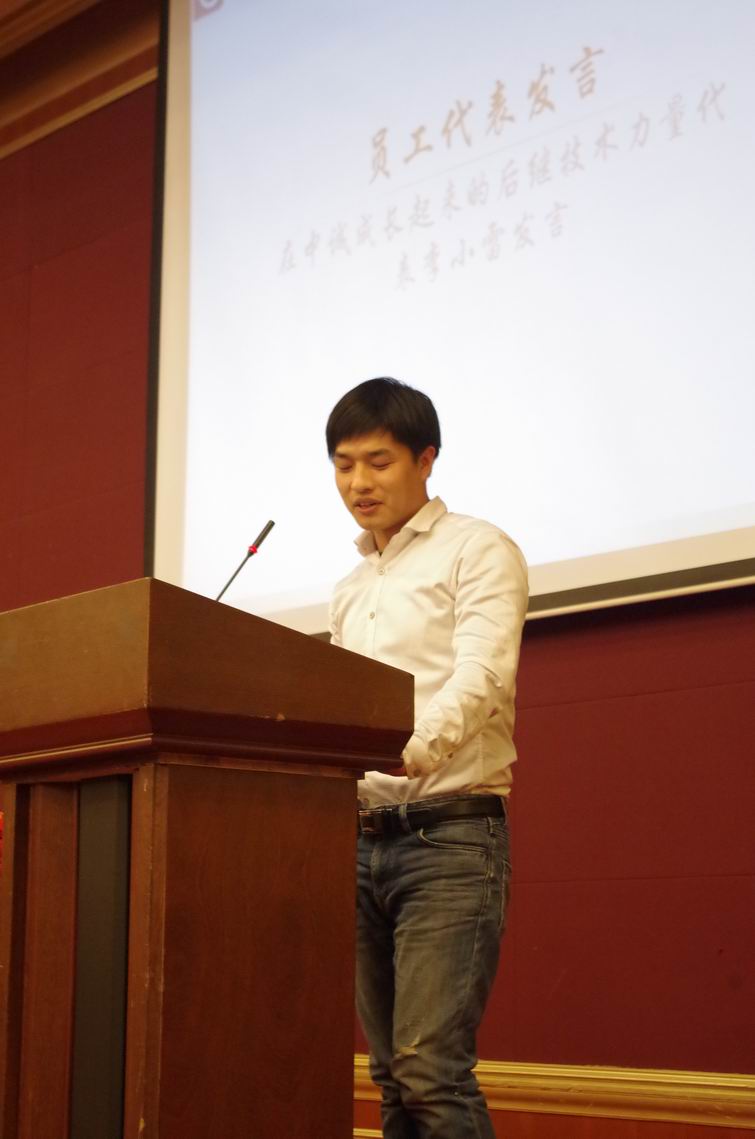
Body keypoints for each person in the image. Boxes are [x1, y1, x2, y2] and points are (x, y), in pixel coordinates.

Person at [326, 377, 528, 1139]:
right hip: (357, 840)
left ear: (426, 458)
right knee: (388, 1076)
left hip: (449, 835)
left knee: (430, 1070)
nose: (358, 482)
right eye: (343, 464)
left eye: (377, 461)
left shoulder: (477, 547)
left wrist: (409, 748)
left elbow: (483, 672)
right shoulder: (350, 587)